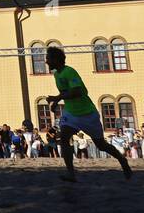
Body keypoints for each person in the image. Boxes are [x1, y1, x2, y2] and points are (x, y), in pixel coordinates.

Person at [45, 46, 130, 183]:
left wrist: (56, 98)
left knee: (101, 145)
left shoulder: (69, 72)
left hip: (87, 113)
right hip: (71, 113)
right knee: (64, 137)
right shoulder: (57, 74)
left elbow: (78, 91)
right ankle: (71, 173)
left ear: (56, 60)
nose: (46, 62)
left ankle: (122, 160)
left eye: (48, 59)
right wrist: (57, 101)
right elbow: (66, 92)